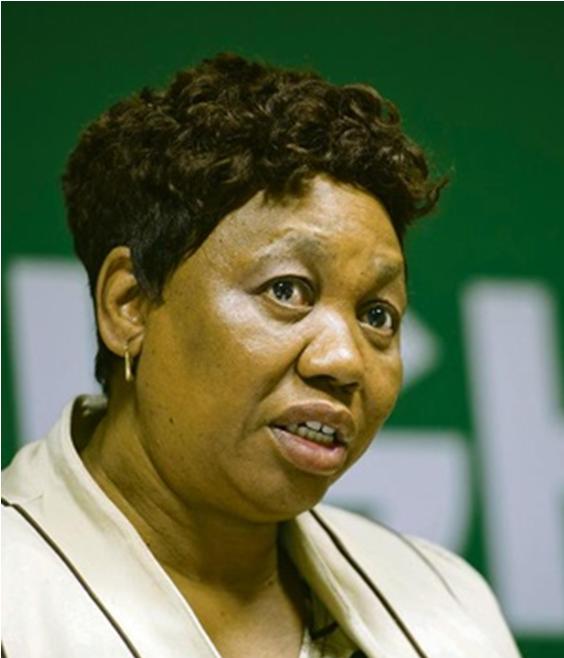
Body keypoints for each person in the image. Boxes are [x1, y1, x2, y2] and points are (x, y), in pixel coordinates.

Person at [2, 53, 521, 658]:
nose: (344, 361)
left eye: (377, 315)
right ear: (130, 305)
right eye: (287, 290)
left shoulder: (452, 606)